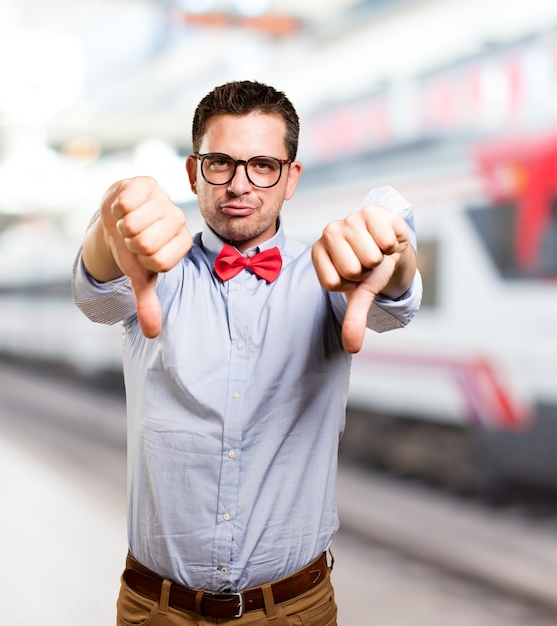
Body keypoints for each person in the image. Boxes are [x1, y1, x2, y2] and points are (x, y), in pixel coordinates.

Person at [73, 80, 421, 625]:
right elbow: (96, 293)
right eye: (220, 164)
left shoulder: (331, 276)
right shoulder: (152, 269)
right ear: (193, 172)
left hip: (294, 611)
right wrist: (109, 221)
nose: (240, 184)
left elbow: (393, 303)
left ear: (290, 178)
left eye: (263, 165)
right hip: (156, 610)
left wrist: (396, 254)